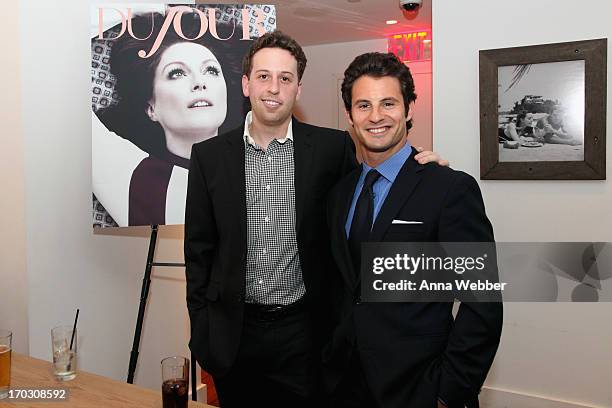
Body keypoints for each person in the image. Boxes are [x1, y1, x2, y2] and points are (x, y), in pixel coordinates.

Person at [184, 31, 446, 408]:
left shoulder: (331, 148)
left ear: (298, 89)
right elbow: (198, 252)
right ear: (245, 84)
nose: (274, 88)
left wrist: (419, 165)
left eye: (285, 78)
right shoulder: (209, 157)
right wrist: (203, 331)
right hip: (234, 337)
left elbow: (372, 190)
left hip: (305, 337)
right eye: (263, 76)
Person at [323, 52, 503, 408]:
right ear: (350, 117)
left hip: (419, 387)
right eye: (363, 105)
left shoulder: (449, 189)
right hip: (346, 385)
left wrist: (448, 392)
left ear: (409, 110)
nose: (376, 116)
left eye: (388, 103)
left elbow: (483, 301)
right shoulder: (339, 194)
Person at [93, 10, 249, 226]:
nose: (199, 82)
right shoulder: (132, 174)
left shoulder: (257, 171)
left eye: (211, 70)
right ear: (151, 108)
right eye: (177, 73)